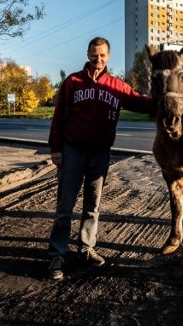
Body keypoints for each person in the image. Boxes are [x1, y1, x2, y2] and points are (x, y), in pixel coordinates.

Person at [46, 37, 151, 280]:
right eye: (94, 54)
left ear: (109, 56)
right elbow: (58, 117)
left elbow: (141, 102)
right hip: (72, 151)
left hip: (100, 153)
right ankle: (57, 255)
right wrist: (56, 148)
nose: (98, 59)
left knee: (92, 207)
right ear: (87, 53)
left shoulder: (116, 85)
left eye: (102, 55)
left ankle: (86, 248)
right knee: (65, 207)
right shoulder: (73, 82)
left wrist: (172, 100)